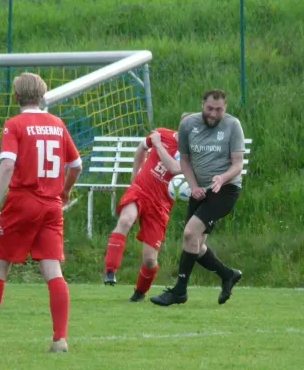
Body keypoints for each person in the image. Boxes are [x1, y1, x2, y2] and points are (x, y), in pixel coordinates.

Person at [0, 73, 83, 353]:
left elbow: (7, 166)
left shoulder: (15, 124)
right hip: (52, 205)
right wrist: (65, 191)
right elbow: (77, 164)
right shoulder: (57, 124)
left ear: (16, 97)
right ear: (43, 96)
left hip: (24, 201)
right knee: (52, 269)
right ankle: (60, 339)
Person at [150, 89, 245, 307]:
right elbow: (184, 160)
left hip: (225, 189)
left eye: (219, 110)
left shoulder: (233, 126)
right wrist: (193, 187)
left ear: (225, 109)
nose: (213, 114)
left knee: (189, 233)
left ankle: (179, 292)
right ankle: (228, 275)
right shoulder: (188, 125)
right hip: (199, 190)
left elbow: (237, 164)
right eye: (210, 108)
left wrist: (221, 178)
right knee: (197, 244)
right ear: (202, 104)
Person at [103, 123, 182, 302]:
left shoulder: (193, 153)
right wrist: (135, 174)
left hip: (160, 206)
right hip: (141, 190)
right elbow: (141, 148)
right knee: (125, 220)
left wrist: (159, 145)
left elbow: (175, 169)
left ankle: (139, 293)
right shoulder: (163, 134)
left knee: (149, 260)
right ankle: (110, 270)